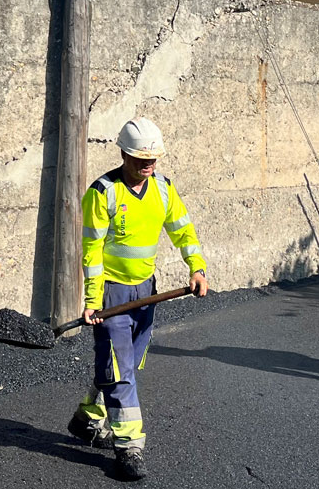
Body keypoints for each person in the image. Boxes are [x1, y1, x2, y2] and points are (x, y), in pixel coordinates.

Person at [67, 117, 209, 480]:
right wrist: (93, 299)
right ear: (123, 153)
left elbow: (182, 229)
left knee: (128, 362)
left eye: (154, 159)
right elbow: (92, 250)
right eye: (140, 158)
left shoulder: (163, 188)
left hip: (146, 291)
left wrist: (197, 267)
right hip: (112, 292)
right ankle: (129, 447)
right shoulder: (103, 192)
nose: (148, 165)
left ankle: (88, 418)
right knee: (120, 369)